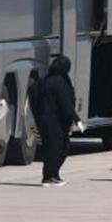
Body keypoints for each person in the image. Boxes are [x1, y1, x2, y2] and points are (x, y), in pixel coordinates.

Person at [38, 55, 84, 186]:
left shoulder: (45, 81)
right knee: (60, 148)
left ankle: (52, 175)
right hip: (56, 121)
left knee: (50, 148)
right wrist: (76, 119)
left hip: (44, 120)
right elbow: (66, 104)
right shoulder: (61, 82)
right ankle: (50, 176)